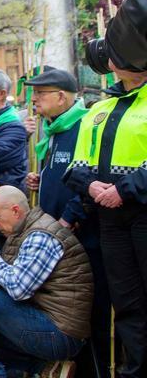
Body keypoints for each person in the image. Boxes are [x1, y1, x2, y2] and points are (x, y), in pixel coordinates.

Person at [24, 66, 110, 378]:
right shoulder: (54, 129)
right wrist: (41, 178)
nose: (35, 100)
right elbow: (61, 173)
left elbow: (89, 176)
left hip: (80, 235)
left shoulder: (83, 125)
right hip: (57, 234)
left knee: (90, 309)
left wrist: (70, 217)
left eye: (41, 94)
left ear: (62, 96)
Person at [0, 186, 92, 378]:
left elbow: (18, 290)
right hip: (46, 323)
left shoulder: (41, 235)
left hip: (60, 333)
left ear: (15, 211)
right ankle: (43, 368)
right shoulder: (22, 230)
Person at [66, 62, 147, 378]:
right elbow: (75, 166)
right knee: (126, 302)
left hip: (141, 210)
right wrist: (89, 184)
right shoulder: (100, 108)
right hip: (109, 216)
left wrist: (125, 189)